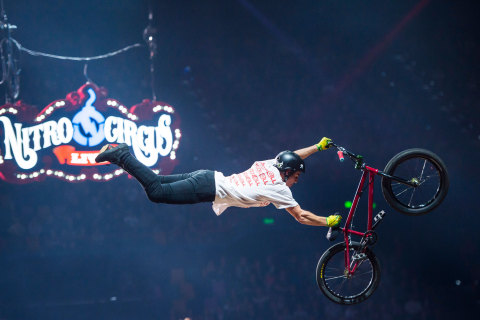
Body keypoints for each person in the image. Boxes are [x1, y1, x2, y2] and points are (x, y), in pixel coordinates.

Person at [95, 137, 341, 228]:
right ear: (287, 173)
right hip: (208, 187)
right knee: (156, 192)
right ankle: (122, 154)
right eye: (296, 177)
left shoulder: (271, 163)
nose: (296, 182)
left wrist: (318, 147)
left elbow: (293, 156)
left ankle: (121, 155)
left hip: (207, 177)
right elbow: (301, 216)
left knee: (157, 182)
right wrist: (327, 221)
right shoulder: (279, 189)